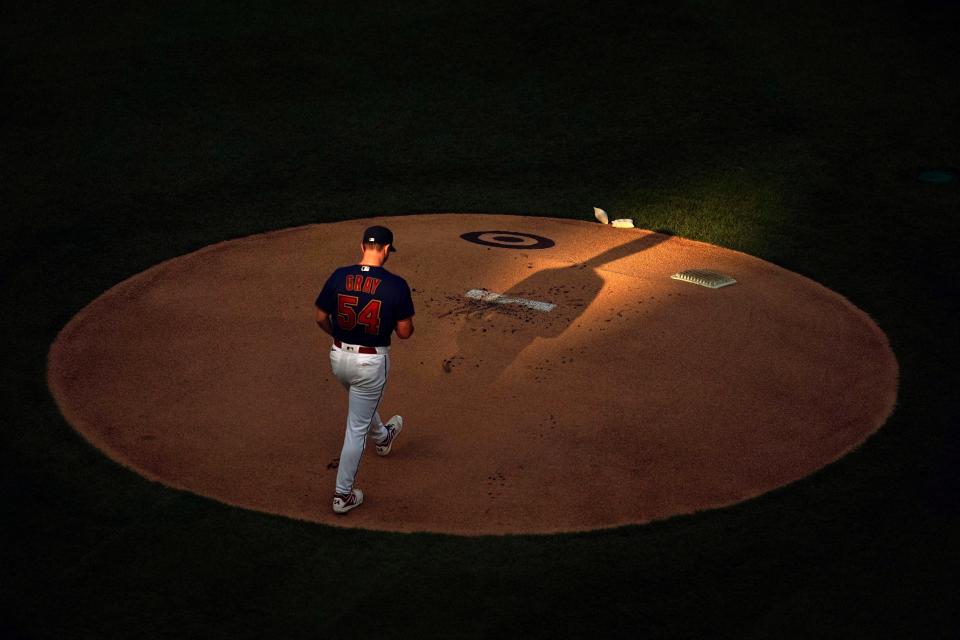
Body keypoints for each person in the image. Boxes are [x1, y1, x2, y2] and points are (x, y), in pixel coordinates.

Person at [314, 225, 415, 514]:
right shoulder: (396, 285)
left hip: (338, 359)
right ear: (386, 250)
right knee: (355, 427)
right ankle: (342, 495)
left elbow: (320, 316)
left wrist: (338, 334)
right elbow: (405, 333)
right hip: (370, 364)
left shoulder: (339, 276)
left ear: (362, 247)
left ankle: (383, 437)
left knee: (362, 407)